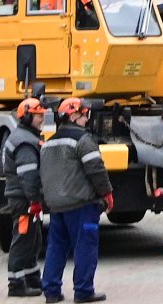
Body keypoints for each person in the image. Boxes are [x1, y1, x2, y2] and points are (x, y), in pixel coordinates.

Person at [39, 96, 111, 303]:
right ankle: (83, 290)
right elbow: (96, 170)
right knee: (85, 246)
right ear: (73, 115)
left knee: (56, 247)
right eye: (84, 115)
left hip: (56, 206)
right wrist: (107, 193)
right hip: (81, 205)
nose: (87, 119)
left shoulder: (48, 143)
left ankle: (51, 292)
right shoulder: (83, 140)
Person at [2, 97, 47, 298]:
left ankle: (31, 278)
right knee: (22, 240)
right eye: (38, 116)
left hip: (24, 198)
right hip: (24, 199)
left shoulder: (25, 137)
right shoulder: (25, 142)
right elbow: (28, 176)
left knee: (32, 239)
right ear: (27, 116)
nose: (42, 119)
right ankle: (16, 284)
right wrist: (35, 200)